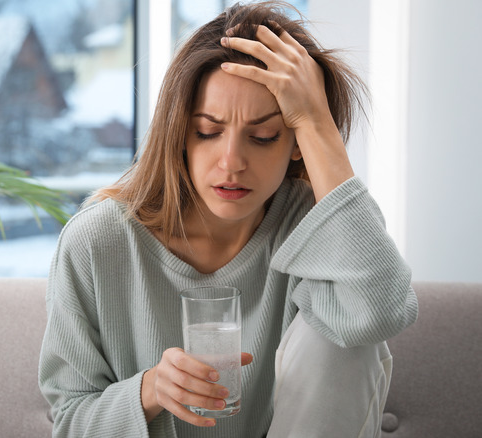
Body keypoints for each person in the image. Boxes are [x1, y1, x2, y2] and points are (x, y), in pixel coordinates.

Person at [39, 1, 418, 437]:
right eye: (207, 131)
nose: (232, 162)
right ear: (180, 133)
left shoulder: (317, 225)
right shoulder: (96, 242)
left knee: (348, 329)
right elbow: (69, 423)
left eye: (263, 136)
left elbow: (381, 311)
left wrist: (315, 120)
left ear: (295, 142)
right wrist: (151, 390)